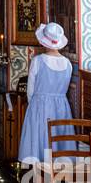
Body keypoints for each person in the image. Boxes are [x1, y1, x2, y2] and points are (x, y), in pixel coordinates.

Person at [15, 22, 74, 169]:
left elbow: (30, 90)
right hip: (61, 107)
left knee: (39, 144)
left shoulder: (38, 61)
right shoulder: (68, 64)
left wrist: (33, 105)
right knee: (58, 145)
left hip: (40, 106)